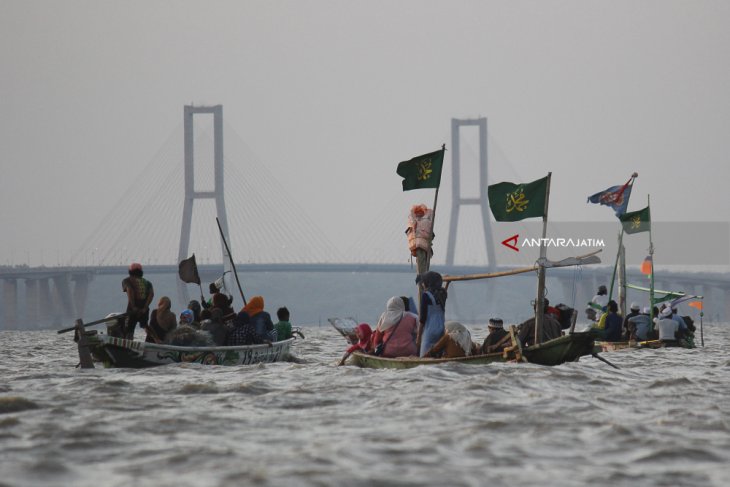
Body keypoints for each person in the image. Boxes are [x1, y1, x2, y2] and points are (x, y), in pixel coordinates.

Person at [416, 271, 447, 357]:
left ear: (427, 283)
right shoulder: (443, 294)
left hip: (429, 332)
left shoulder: (426, 295)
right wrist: (447, 284)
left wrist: (418, 338)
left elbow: (422, 319)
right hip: (441, 331)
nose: (422, 284)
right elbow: (443, 291)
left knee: (425, 358)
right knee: (438, 356)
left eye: (423, 282)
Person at [121, 262, 154, 340]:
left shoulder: (127, 280)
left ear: (130, 272)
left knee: (129, 328)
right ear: (141, 272)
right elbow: (151, 294)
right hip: (144, 310)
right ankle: (156, 340)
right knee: (145, 325)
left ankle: (128, 346)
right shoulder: (147, 282)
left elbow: (130, 290)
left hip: (132, 309)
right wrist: (145, 308)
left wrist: (133, 306)